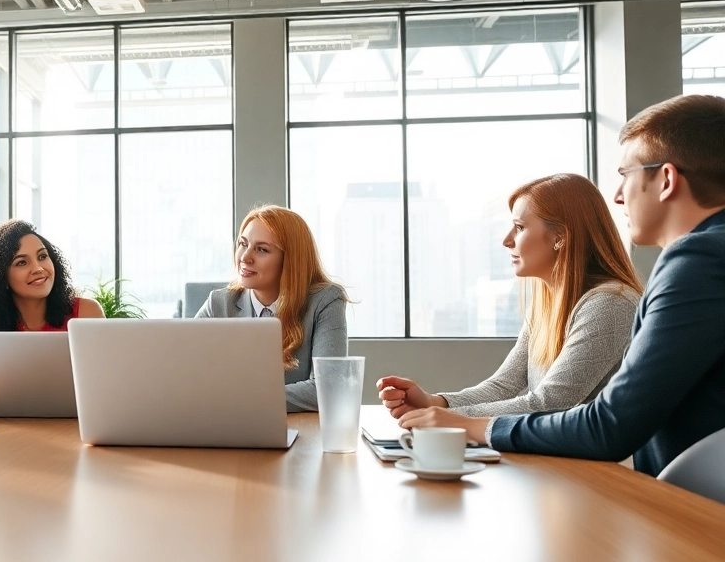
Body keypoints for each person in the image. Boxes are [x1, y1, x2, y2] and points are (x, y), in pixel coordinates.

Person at [395, 94, 725, 476]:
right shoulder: (707, 255)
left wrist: (469, 426)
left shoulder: (697, 260)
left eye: (626, 175)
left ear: (666, 179)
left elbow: (610, 425)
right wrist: (441, 406)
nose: (618, 196)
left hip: (684, 502)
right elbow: (509, 385)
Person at [379, 174, 642, 418]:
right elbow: (503, 385)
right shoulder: (546, 305)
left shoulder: (610, 304)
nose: (507, 240)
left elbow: (547, 404)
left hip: (597, 456)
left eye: (519, 227)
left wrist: (445, 418)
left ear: (560, 237)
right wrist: (434, 403)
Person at [195, 205, 348, 412]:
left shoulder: (325, 301)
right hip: (227, 424)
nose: (245, 257)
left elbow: (329, 389)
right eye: (243, 244)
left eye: (262, 249)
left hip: (297, 427)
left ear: (290, 260)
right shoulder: (219, 304)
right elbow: (185, 375)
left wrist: (242, 399)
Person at [0, 220, 104, 332]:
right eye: (21, 262)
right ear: (0, 277)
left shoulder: (86, 313)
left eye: (42, 256)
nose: (38, 268)